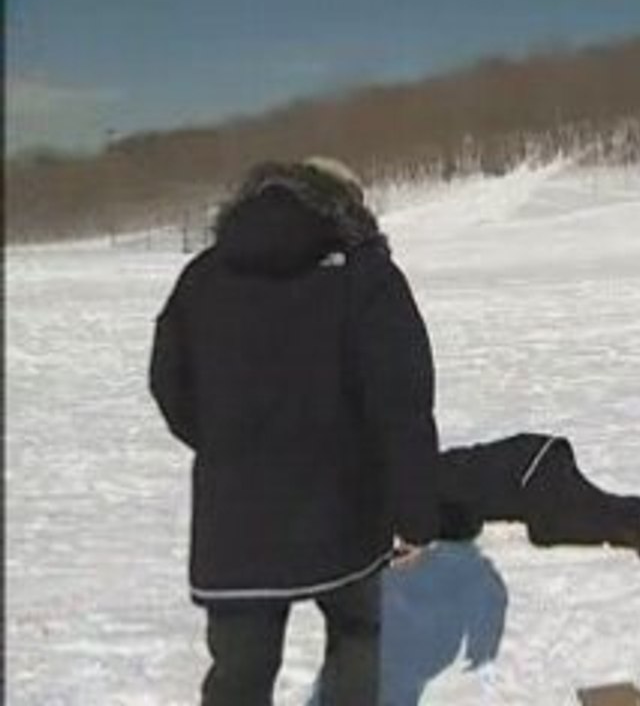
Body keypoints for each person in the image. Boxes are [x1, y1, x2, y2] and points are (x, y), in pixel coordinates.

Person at [149, 157, 440, 706]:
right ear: (347, 203)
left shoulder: (204, 275)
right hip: (346, 506)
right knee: (357, 637)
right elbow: (401, 402)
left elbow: (169, 382)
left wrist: (228, 445)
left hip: (234, 518)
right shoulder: (364, 273)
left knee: (239, 673)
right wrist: (416, 516)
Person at [435, 433, 640, 558]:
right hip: (536, 458)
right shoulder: (430, 472)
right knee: (594, 507)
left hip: (532, 470)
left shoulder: (421, 485)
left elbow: (464, 526)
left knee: (555, 527)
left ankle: (637, 525)